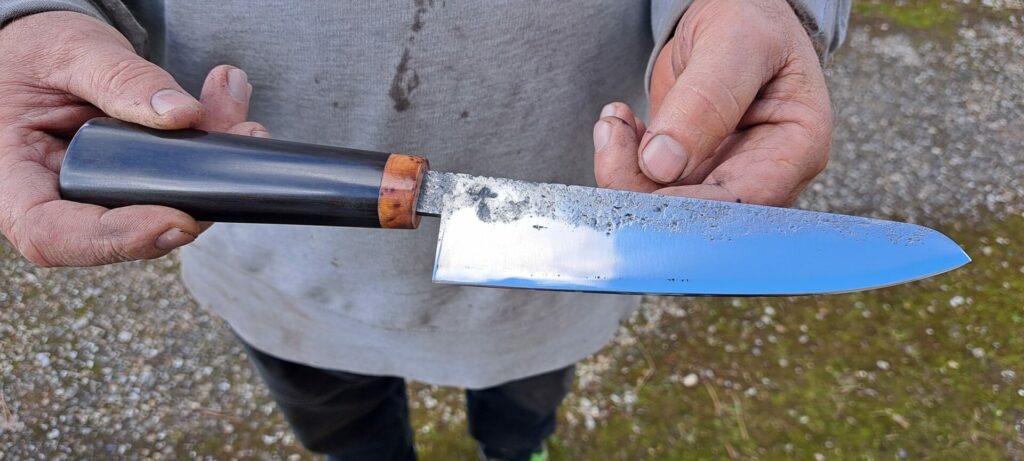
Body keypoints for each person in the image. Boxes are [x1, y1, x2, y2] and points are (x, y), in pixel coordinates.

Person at [0, 1, 849, 460]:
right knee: (343, 429)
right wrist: (27, 16)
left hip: (560, 267)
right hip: (277, 266)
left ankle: (515, 449)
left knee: (523, 410)